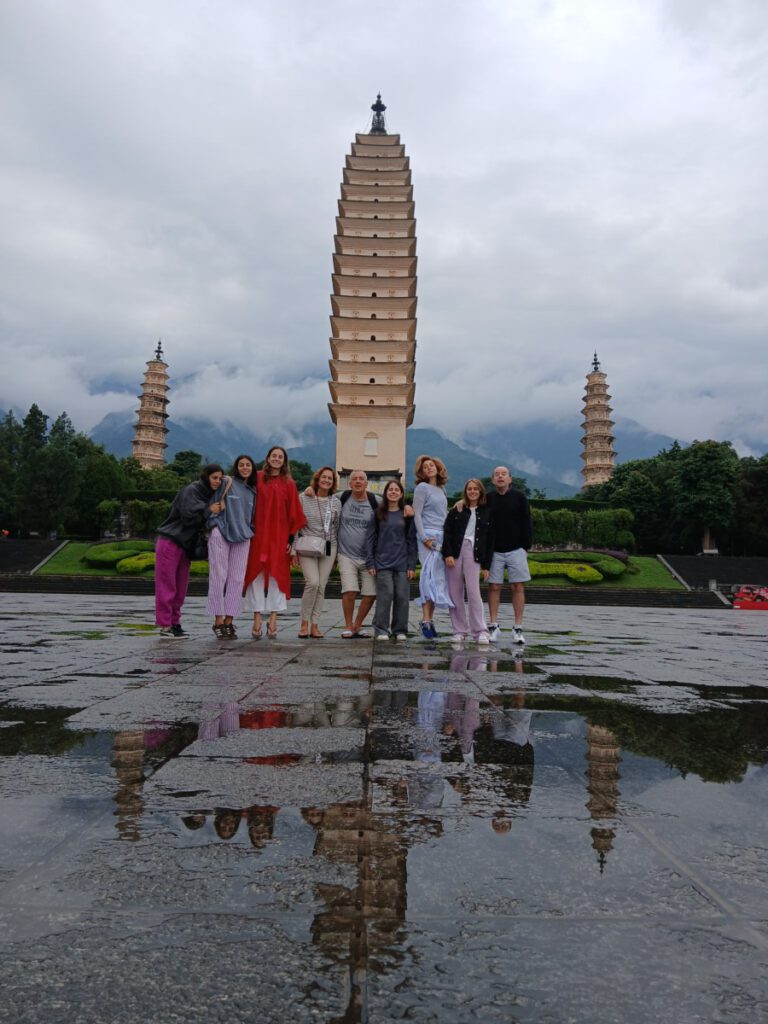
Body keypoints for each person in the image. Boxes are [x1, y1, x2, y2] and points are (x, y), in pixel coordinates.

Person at [154, 463, 223, 639]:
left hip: (185, 545)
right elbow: (188, 517)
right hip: (170, 541)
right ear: (206, 476)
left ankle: (175, 623)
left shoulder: (209, 494)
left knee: (180, 586)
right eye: (214, 477)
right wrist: (210, 510)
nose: (217, 481)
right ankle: (165, 625)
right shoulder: (191, 490)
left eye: (220, 478)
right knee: (167, 585)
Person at [243, 446, 305, 639]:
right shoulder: (257, 478)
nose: (277, 459)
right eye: (274, 456)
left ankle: (273, 617)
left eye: (280, 457)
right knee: (256, 575)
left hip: (279, 536)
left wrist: (290, 539)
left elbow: (295, 513)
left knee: (278, 577)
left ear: (284, 461)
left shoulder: (290, 484)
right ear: (268, 458)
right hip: (258, 535)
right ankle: (256, 617)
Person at [207, 454, 258, 639]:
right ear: (236, 467)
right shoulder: (226, 481)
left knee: (237, 579)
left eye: (248, 465)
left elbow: (251, 516)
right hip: (221, 532)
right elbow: (209, 497)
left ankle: (229, 621)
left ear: (252, 468)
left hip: (243, 536)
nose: (245, 468)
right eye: (241, 465)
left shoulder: (252, 491)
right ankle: (218, 620)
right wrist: (213, 521)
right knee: (218, 577)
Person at [442, 478, 494, 645]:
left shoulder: (487, 511)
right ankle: (459, 630)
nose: (472, 491)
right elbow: (447, 531)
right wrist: (447, 554)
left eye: (475, 489)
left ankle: (480, 631)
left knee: (473, 592)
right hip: (455, 552)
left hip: (475, 552)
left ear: (480, 491)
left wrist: (486, 566)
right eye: (469, 489)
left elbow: (489, 541)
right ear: (465, 491)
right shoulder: (457, 509)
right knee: (455, 592)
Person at [365, 478, 417, 641]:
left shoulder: (407, 514)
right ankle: (381, 629)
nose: (393, 492)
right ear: (385, 493)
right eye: (390, 489)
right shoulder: (378, 514)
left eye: (396, 490)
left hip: (402, 563)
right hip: (382, 562)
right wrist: (370, 562)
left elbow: (411, 540)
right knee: (385, 595)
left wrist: (411, 564)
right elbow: (370, 539)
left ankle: (400, 629)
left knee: (402, 596)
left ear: (401, 494)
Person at [486, 466, 532, 644]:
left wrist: (525, 546)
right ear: (492, 479)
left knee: (517, 586)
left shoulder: (519, 497)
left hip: (516, 549)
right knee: (494, 587)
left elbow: (527, 521)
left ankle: (518, 627)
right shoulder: (488, 498)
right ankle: (494, 625)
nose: (500, 477)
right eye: (496, 474)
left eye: (504, 474)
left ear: (510, 479)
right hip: (495, 550)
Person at [294, 466, 342, 638]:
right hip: (308, 544)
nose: (326, 480)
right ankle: (304, 622)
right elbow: (296, 525)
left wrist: (337, 554)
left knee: (321, 586)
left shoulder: (335, 502)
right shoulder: (304, 497)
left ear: (333, 482)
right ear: (317, 478)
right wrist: (293, 549)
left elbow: (338, 527)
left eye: (330, 478)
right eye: (324, 477)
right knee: (312, 583)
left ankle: (315, 625)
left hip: (330, 546)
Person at [335, 469, 381, 638]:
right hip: (346, 554)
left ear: (366, 483)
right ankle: (348, 625)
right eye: (355, 479)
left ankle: (357, 625)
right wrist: (310, 490)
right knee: (350, 591)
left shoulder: (375, 500)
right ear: (350, 483)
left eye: (362, 479)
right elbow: (322, 498)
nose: (358, 481)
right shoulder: (342, 497)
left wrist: (406, 507)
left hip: (369, 557)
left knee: (370, 594)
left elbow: (394, 504)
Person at [412, 455, 453, 638]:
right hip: (427, 536)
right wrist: (424, 538)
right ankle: (425, 619)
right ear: (421, 472)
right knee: (428, 578)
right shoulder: (422, 488)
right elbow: (417, 515)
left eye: (431, 465)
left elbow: (444, 515)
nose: (429, 468)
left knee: (437, 579)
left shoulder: (441, 489)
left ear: (438, 467)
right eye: (425, 467)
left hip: (441, 536)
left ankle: (429, 619)